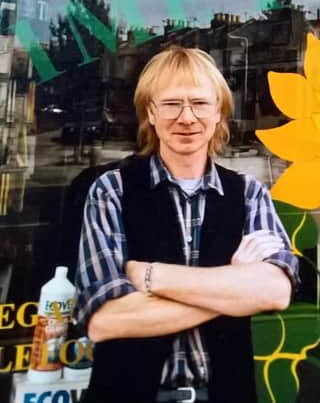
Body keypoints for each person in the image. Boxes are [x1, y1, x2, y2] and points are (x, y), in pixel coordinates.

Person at [74, 46, 299, 403]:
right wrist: (234, 286)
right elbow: (106, 321)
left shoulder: (249, 194)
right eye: (171, 104)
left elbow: (275, 292)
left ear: (219, 112)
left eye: (199, 103)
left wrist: (151, 277)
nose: (187, 117)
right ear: (151, 111)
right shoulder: (112, 191)